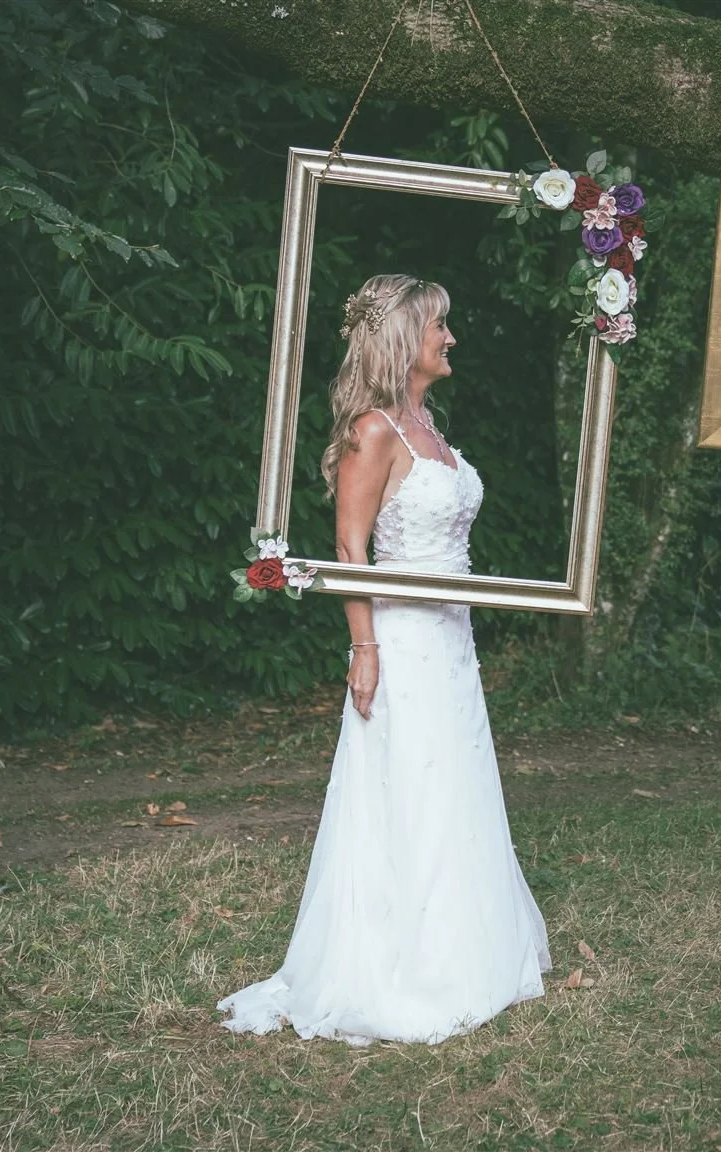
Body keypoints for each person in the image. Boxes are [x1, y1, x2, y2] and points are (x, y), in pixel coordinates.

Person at [218, 274, 551, 1044]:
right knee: (408, 783)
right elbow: (349, 547)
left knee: (453, 780)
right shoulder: (375, 432)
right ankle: (404, 964)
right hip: (400, 642)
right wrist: (363, 647)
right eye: (441, 325)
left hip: (451, 640)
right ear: (407, 338)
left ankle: (465, 950)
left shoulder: (428, 424)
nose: (451, 338)